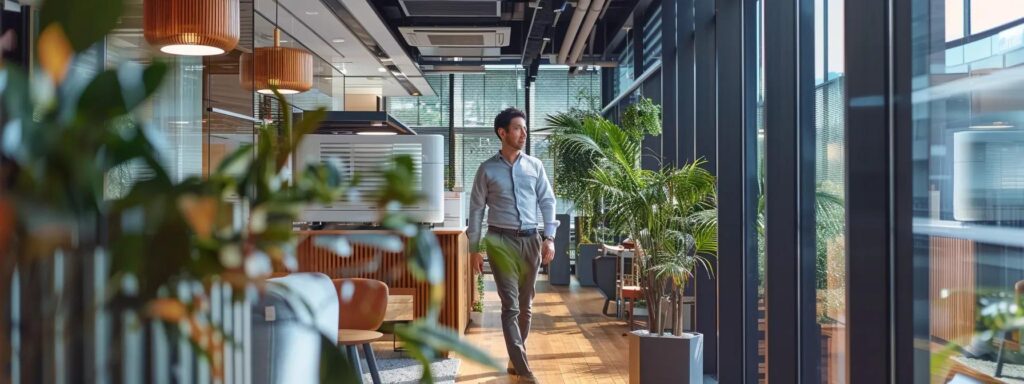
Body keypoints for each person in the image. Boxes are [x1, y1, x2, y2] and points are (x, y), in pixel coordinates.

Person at [468, 107, 557, 383]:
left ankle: (514, 354)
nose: (524, 134)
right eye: (518, 128)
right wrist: (474, 248)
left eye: (525, 128)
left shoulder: (535, 166)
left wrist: (550, 237)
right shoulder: (487, 169)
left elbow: (548, 201)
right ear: (502, 132)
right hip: (500, 241)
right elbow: (476, 211)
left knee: (526, 305)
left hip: (531, 239)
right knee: (511, 305)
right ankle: (523, 368)